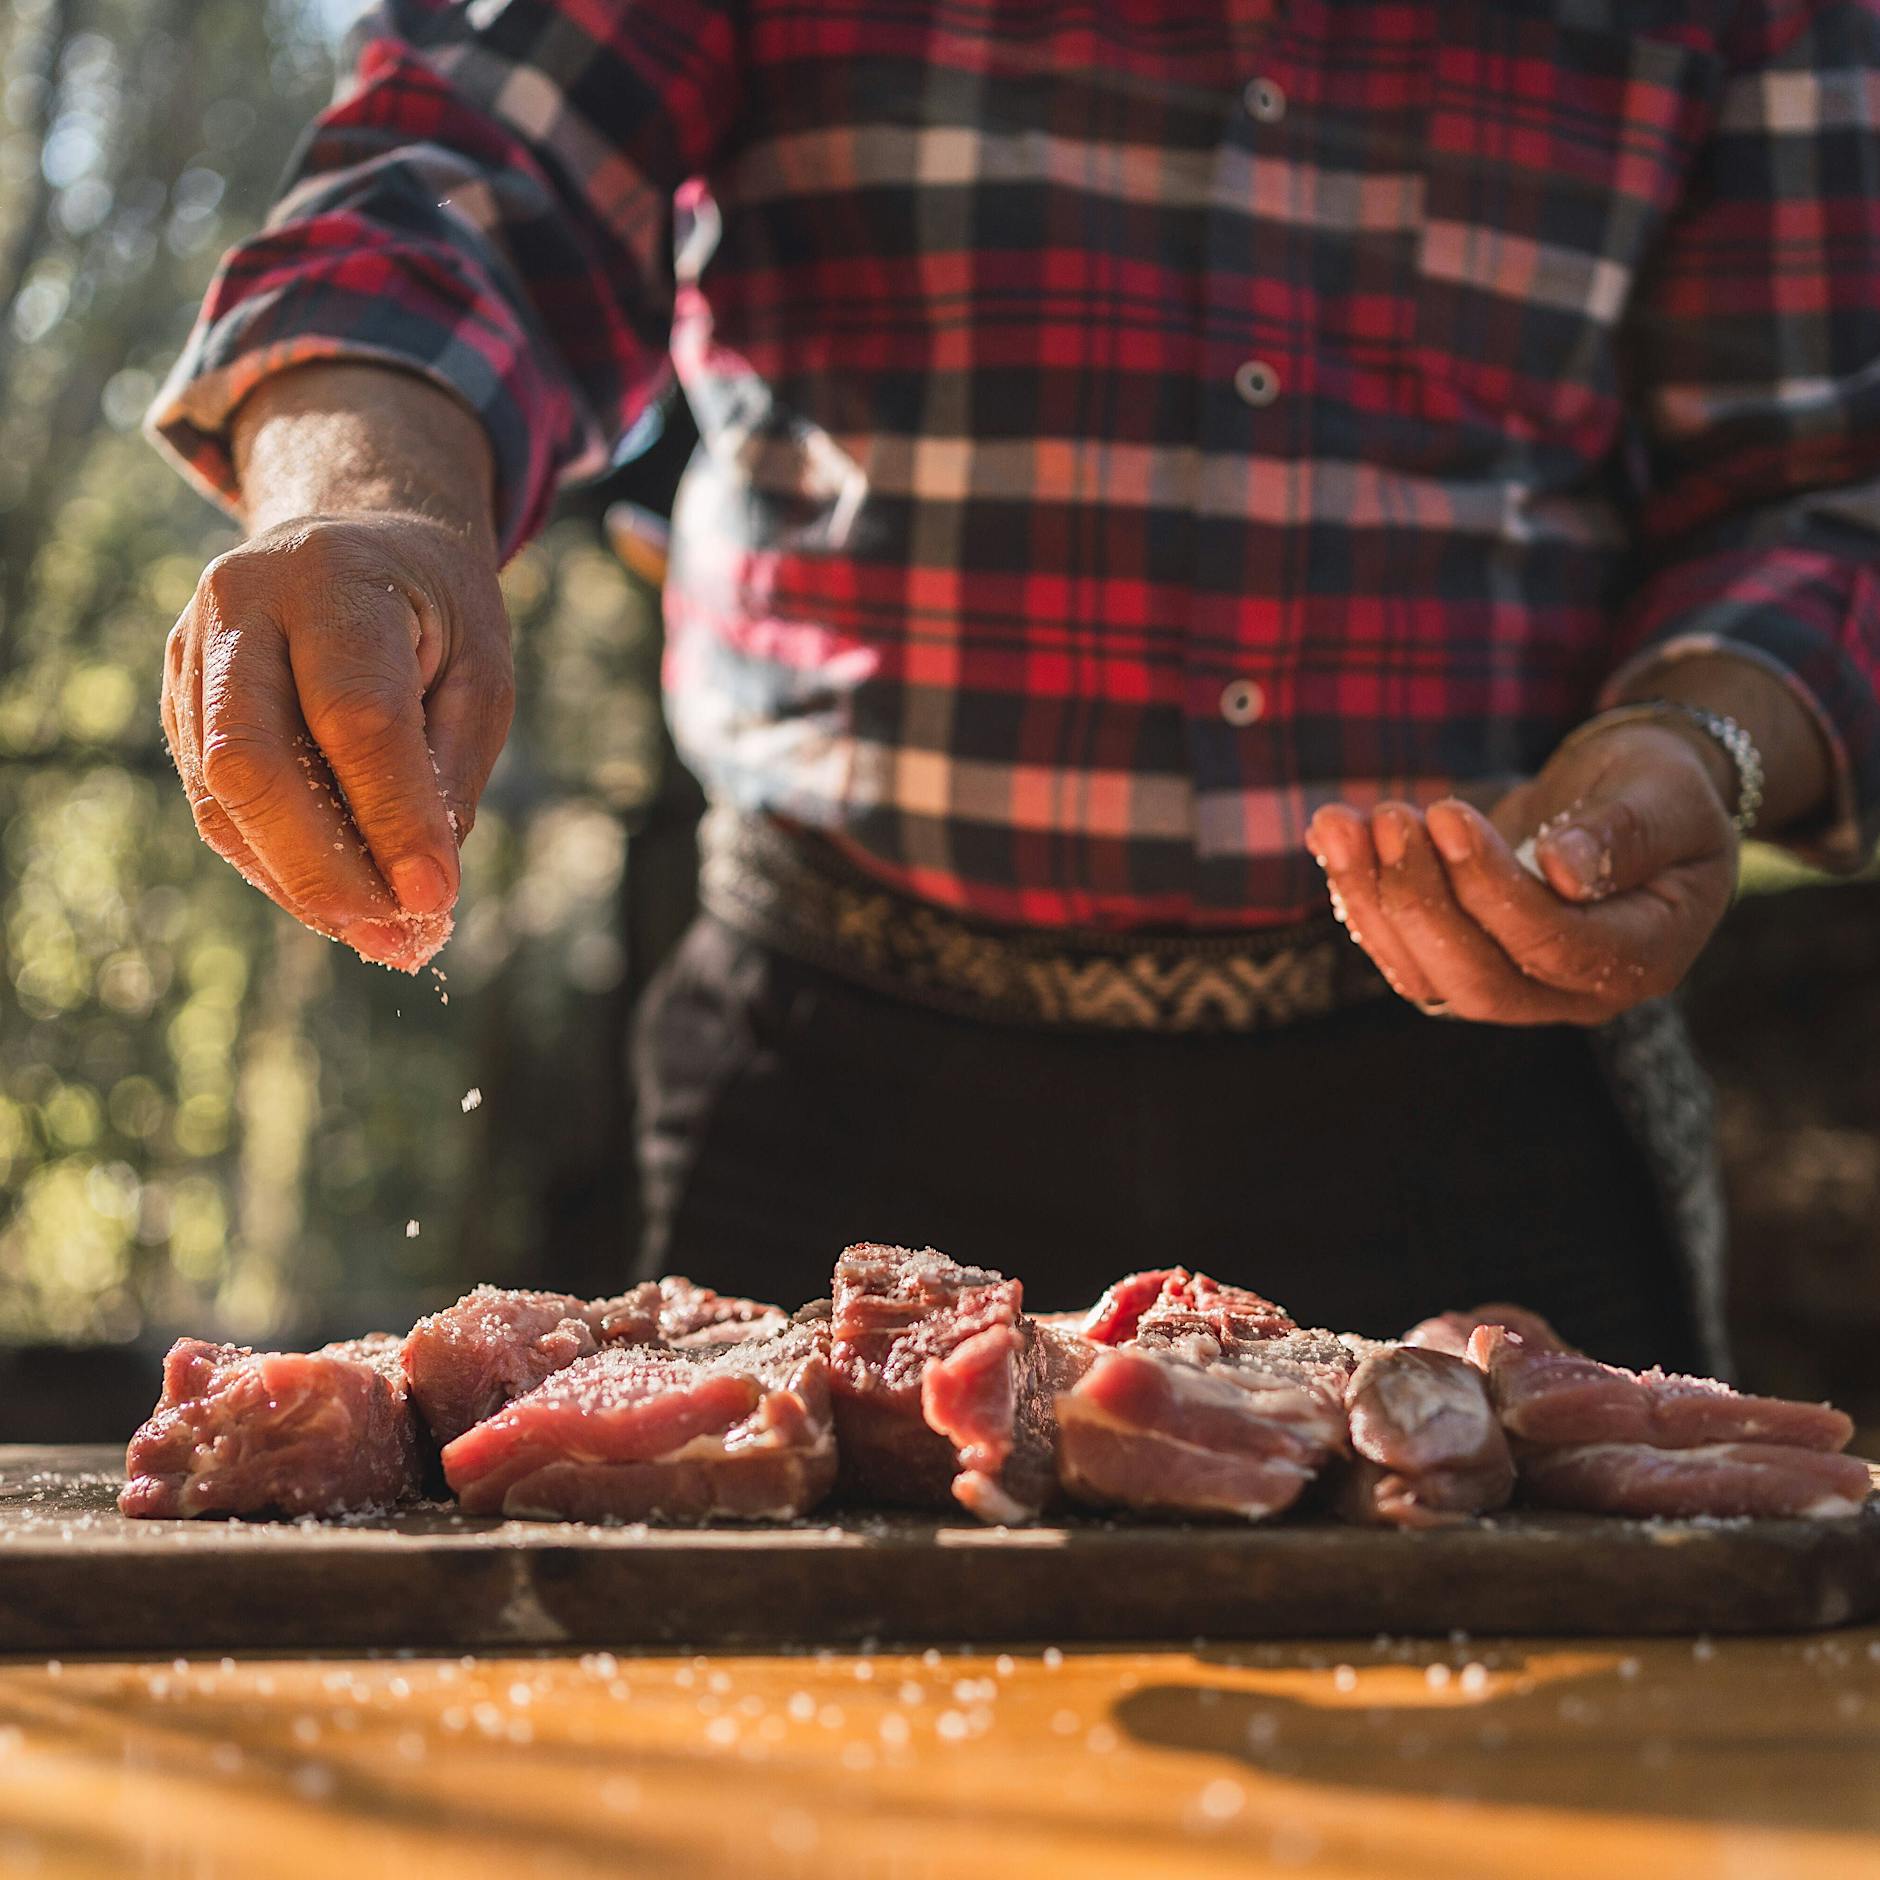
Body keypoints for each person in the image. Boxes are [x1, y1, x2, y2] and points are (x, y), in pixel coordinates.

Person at [149, 1, 1880, 1370]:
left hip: (1494, 1110)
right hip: (832, 1079)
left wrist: (1701, 742)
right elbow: (454, 181)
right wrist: (365, 506)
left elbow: (1822, 489)